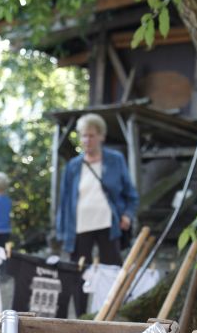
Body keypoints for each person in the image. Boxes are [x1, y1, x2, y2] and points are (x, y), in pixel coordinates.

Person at [56, 113, 138, 268]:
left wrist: (127, 215)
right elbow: (65, 202)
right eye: (84, 136)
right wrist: (61, 232)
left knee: (111, 270)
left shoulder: (116, 160)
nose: (87, 140)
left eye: (91, 135)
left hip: (108, 224)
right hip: (79, 226)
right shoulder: (72, 166)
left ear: (101, 136)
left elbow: (131, 194)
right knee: (78, 272)